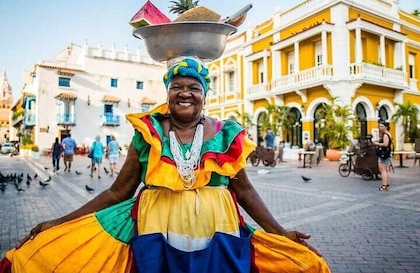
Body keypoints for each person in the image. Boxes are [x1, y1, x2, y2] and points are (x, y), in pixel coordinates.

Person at [0, 58, 330, 272]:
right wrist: (59, 222)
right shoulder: (148, 134)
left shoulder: (225, 134)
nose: (184, 93)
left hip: (220, 236)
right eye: (177, 87)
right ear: (168, 94)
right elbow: (118, 191)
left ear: (205, 95)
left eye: (193, 88)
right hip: (156, 235)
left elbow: (244, 191)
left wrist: (281, 233)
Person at [372, 122, 392, 191]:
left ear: (386, 127)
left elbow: (385, 144)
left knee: (383, 170)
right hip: (387, 154)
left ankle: (384, 185)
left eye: (382, 126)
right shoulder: (387, 134)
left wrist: (376, 144)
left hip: (384, 154)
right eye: (380, 126)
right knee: (386, 170)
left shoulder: (386, 135)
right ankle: (387, 185)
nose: (380, 128)